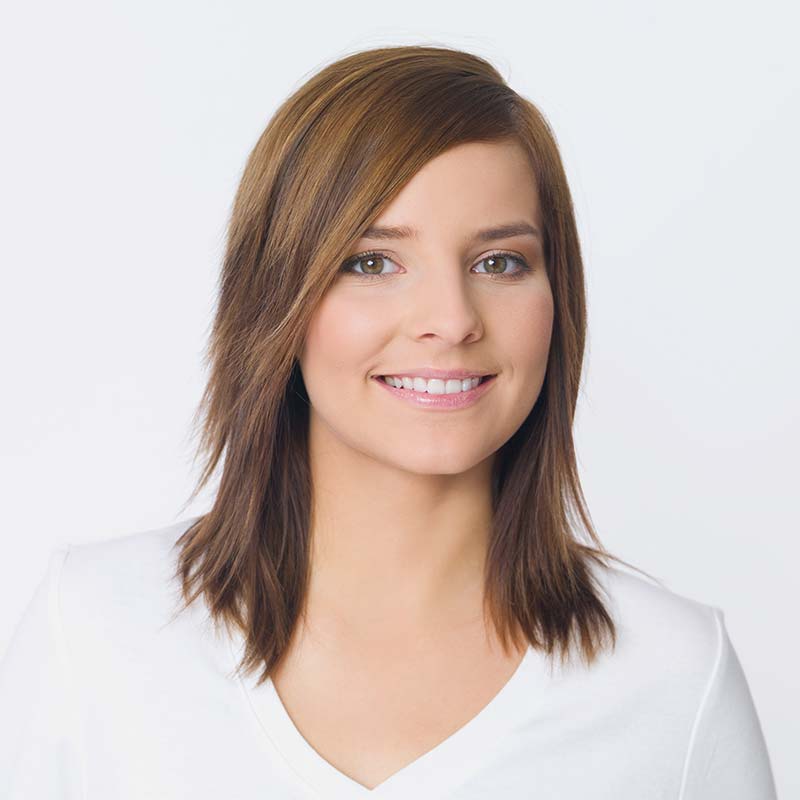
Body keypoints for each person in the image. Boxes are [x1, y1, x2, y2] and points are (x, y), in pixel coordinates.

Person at [0, 44, 778, 799]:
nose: (451, 319)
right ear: (275, 298)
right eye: (372, 262)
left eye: (499, 262)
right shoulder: (94, 632)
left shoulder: (675, 679)